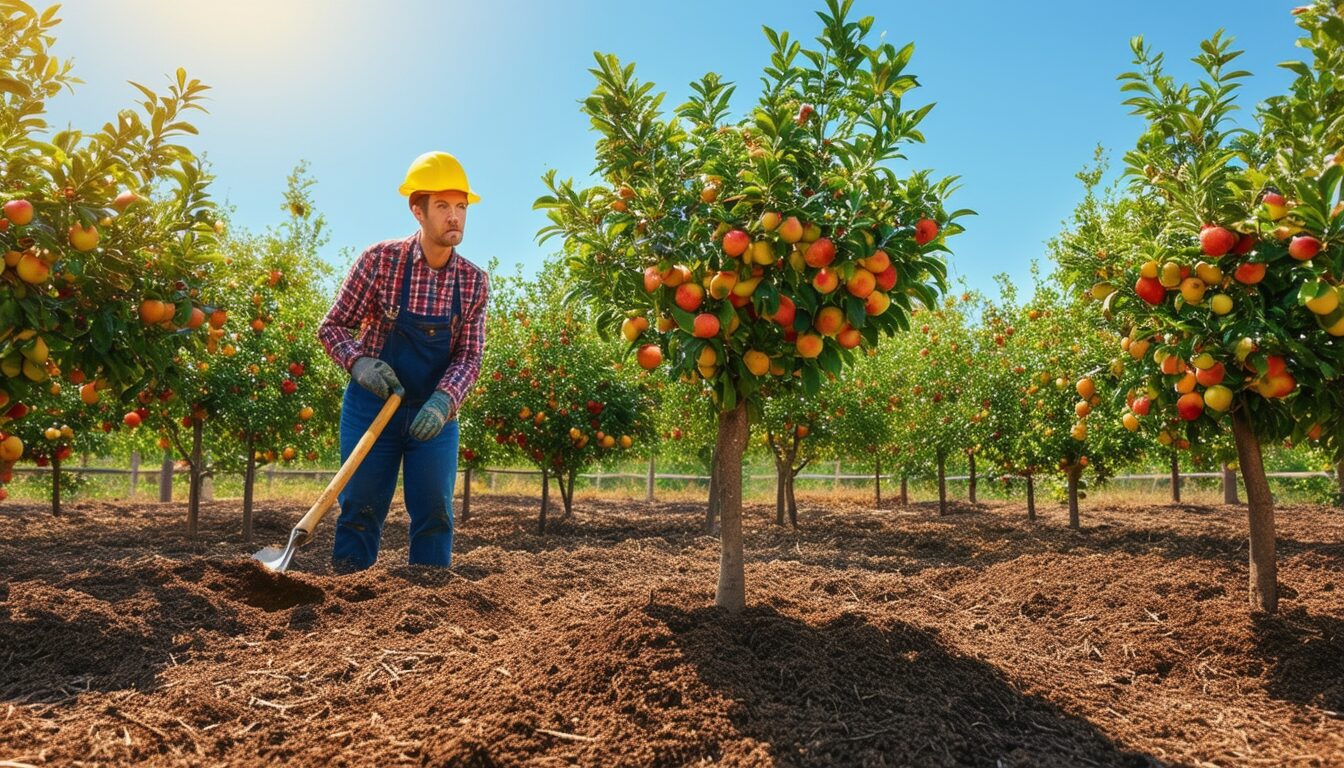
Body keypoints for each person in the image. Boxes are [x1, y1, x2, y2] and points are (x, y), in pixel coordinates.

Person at [317, 151, 488, 572]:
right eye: (444, 206)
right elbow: (333, 326)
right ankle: (347, 594)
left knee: (435, 513)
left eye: (461, 207)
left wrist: (444, 400)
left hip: (433, 412)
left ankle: (428, 604)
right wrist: (359, 364)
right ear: (418, 209)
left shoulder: (473, 281)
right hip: (372, 405)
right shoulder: (380, 262)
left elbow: (469, 356)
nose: (455, 217)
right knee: (360, 507)